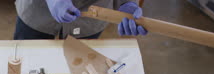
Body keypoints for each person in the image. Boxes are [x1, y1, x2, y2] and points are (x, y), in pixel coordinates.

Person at [14, 0, 148, 40]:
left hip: (91, 15)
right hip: (38, 10)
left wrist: (127, 3)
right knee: (26, 61)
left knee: (79, 68)